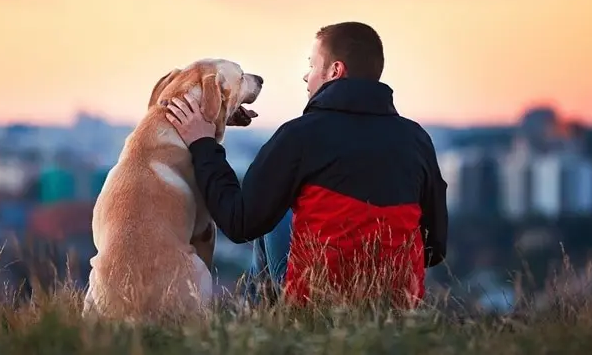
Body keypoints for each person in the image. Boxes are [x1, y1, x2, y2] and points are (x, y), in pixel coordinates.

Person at [164, 21, 448, 308]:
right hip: (397, 304)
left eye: (312, 65)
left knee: (270, 216)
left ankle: (259, 326)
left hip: (317, 301)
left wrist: (203, 144)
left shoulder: (299, 135)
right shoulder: (417, 140)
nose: (305, 76)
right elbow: (434, 248)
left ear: (335, 71)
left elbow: (238, 223)